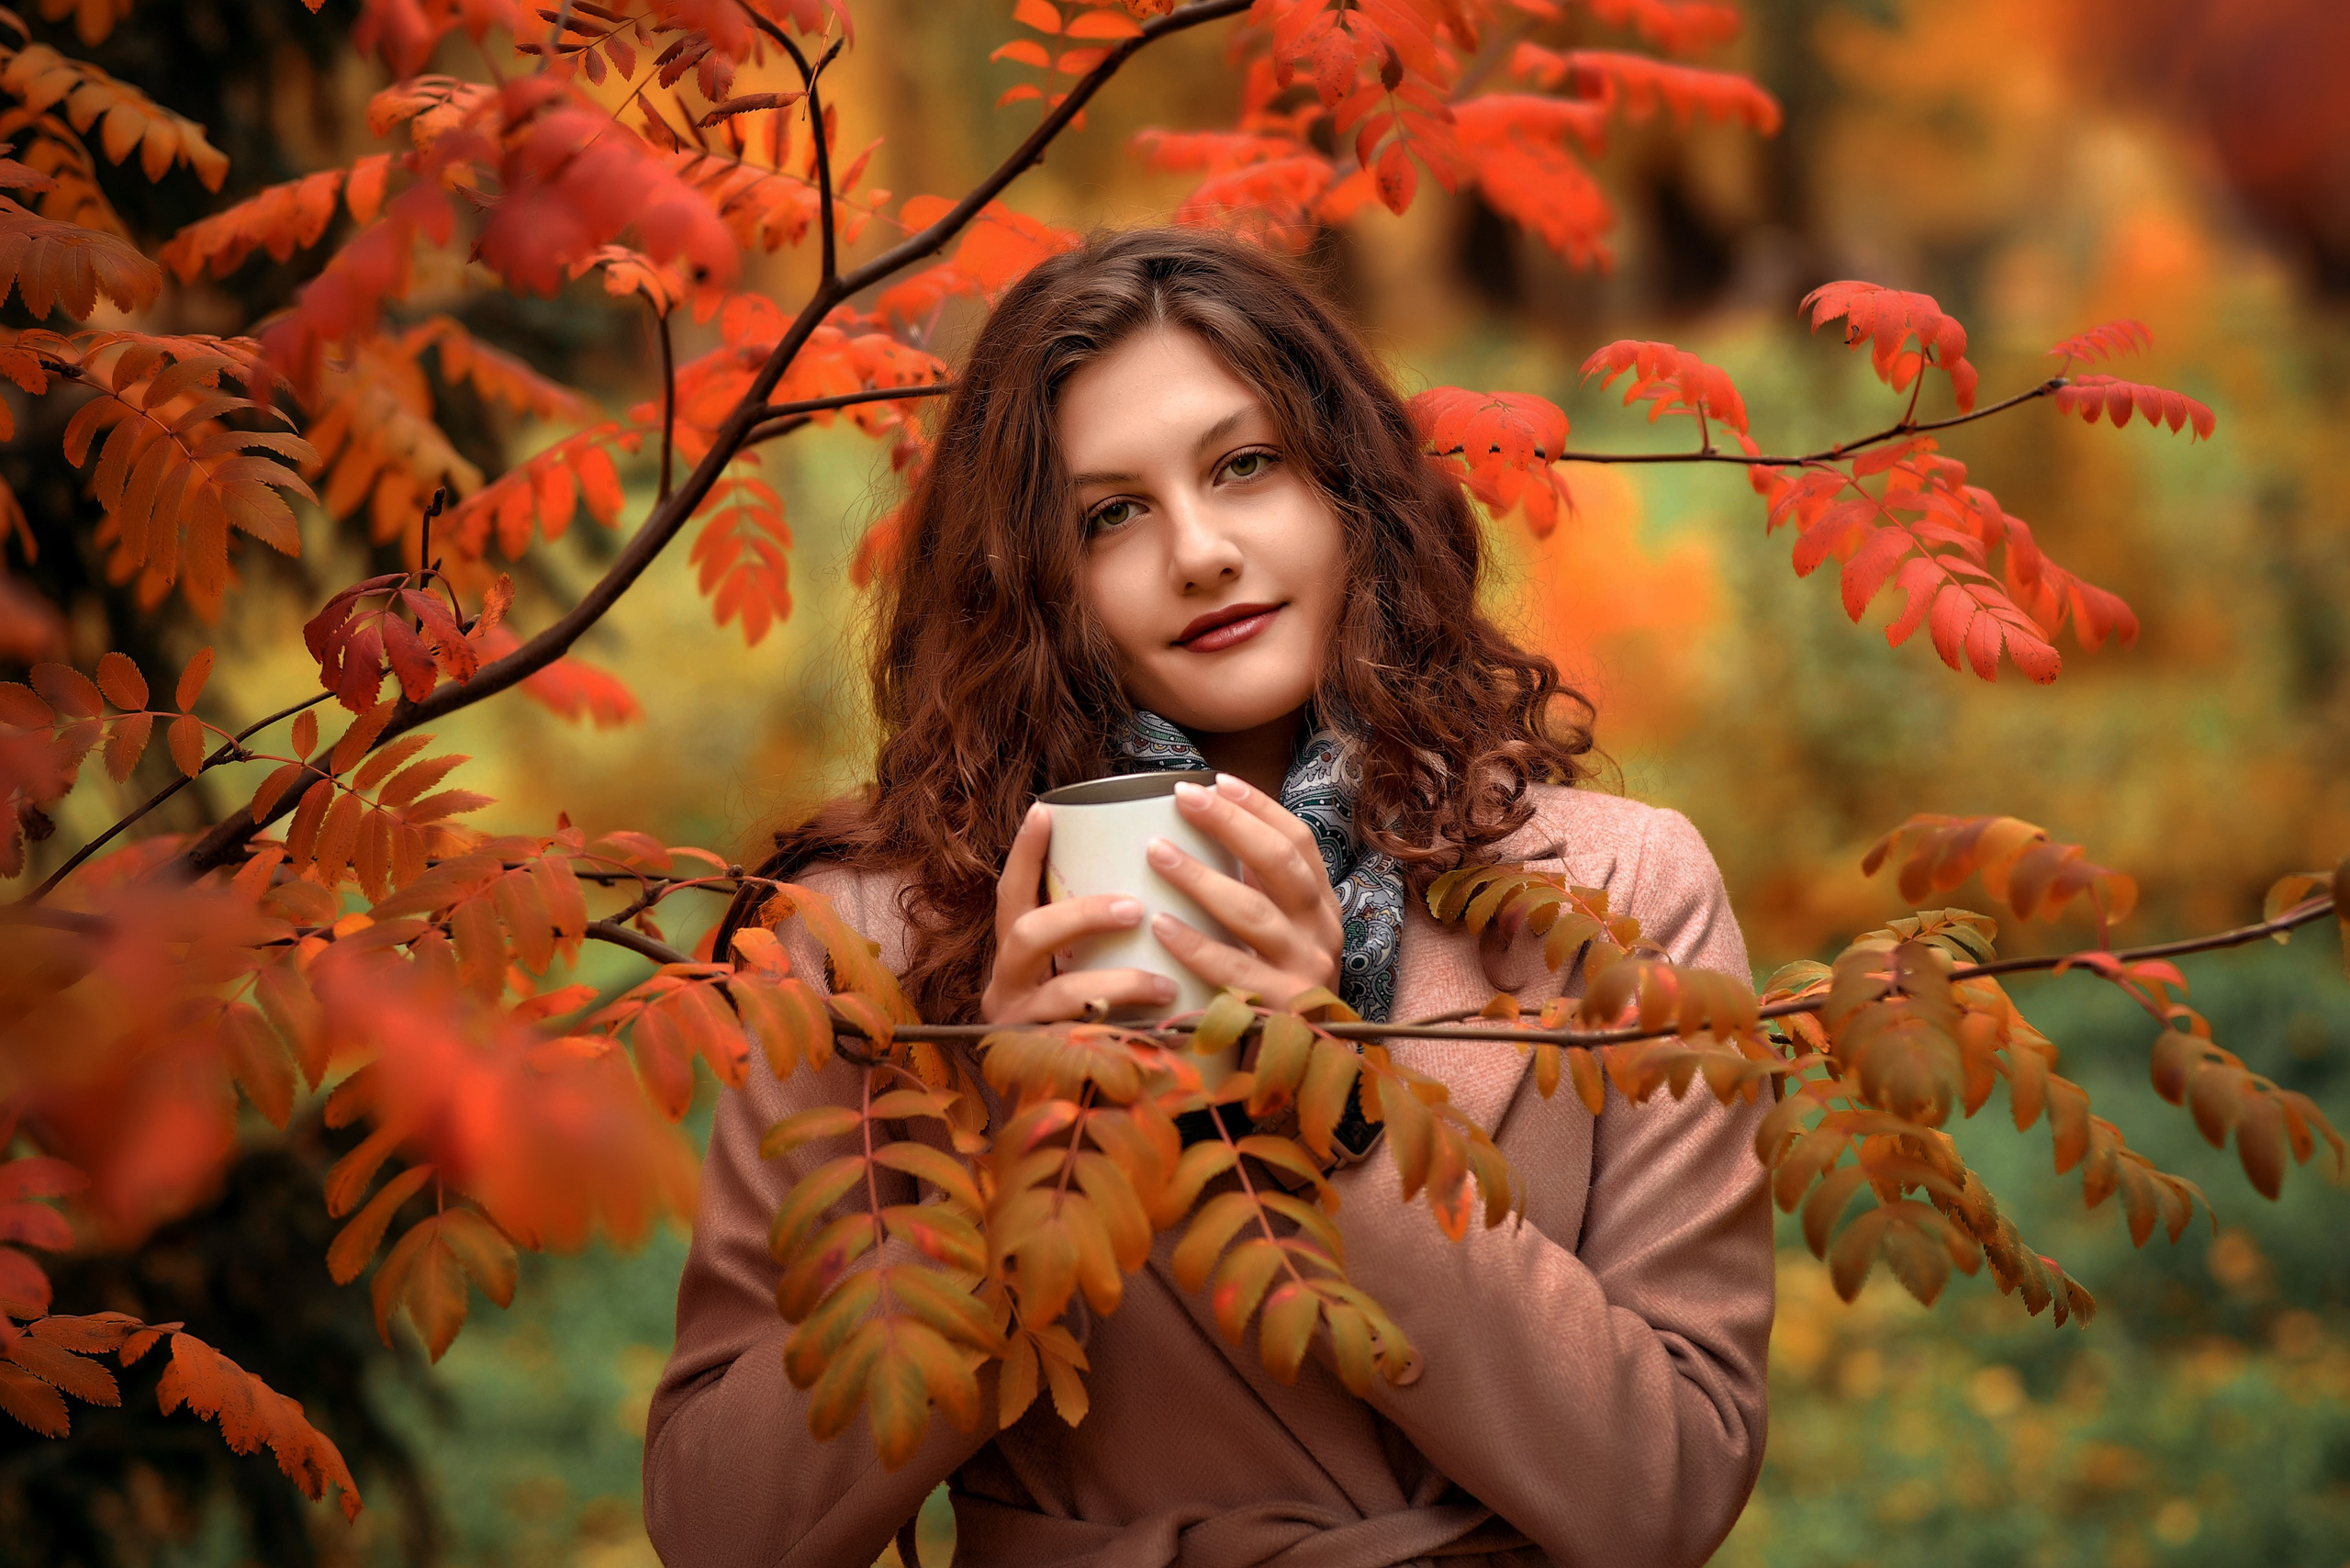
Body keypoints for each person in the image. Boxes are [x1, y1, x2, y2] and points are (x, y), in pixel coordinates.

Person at [643, 228, 1773, 1568]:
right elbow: (719, 1526)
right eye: (1110, 513)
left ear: (1350, 492)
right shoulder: (865, 942)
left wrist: (1337, 1114)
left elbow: (1670, 1491)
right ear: (1032, 578)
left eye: (1247, 467)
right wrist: (1008, 1148)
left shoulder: (1619, 895)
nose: (1199, 551)